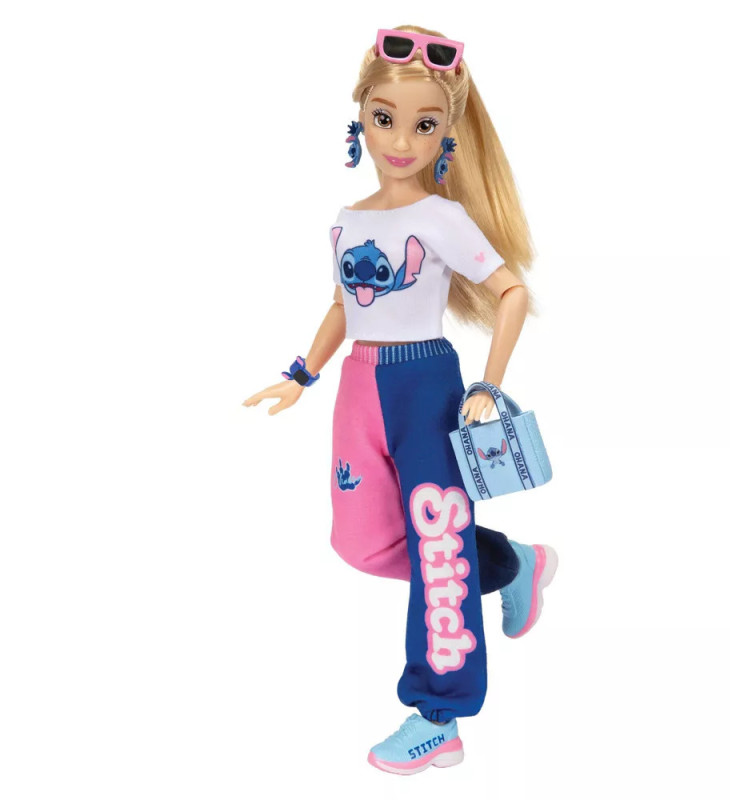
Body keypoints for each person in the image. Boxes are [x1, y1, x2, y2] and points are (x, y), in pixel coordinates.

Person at [244, 25, 557, 775]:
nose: (401, 140)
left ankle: (439, 716)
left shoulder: (442, 219)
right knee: (362, 542)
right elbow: (342, 305)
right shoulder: (349, 219)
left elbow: (510, 292)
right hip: (357, 385)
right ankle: (510, 562)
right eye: (385, 118)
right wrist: (301, 373)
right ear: (360, 116)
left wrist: (489, 386)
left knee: (437, 544)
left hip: (426, 385)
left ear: (448, 133)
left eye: (424, 124)